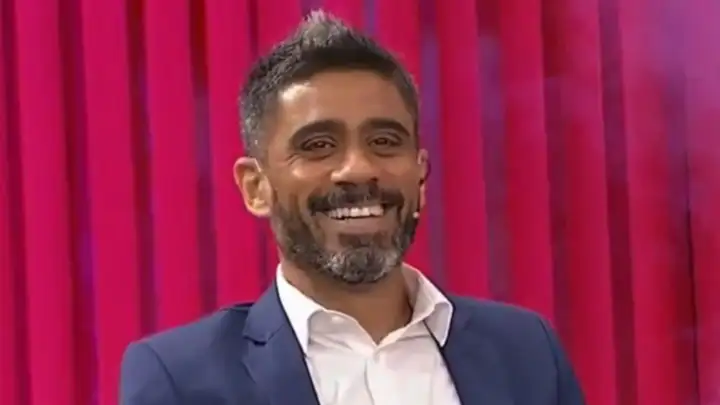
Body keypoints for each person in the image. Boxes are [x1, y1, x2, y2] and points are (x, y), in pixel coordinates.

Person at [120, 10, 585, 405]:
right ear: (256, 187)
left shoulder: (526, 352)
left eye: (384, 141)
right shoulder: (181, 379)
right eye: (318, 145)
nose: (359, 169)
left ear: (421, 175)